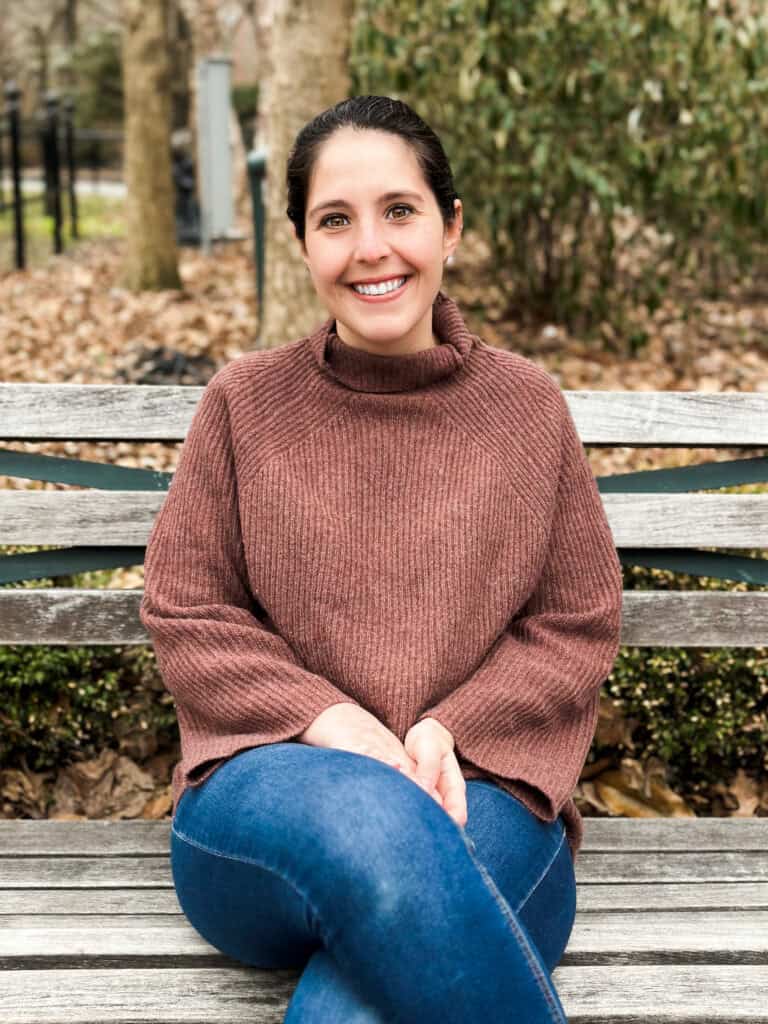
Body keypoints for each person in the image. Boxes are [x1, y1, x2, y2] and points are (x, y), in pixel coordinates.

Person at [139, 94, 624, 1023]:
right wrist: (327, 721)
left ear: (451, 228)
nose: (371, 248)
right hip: (267, 796)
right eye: (335, 220)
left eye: (400, 211)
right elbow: (188, 612)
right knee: (379, 827)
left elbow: (575, 625)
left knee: (356, 1000)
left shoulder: (527, 410)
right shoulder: (245, 404)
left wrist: (451, 726)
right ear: (303, 243)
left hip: (481, 793)